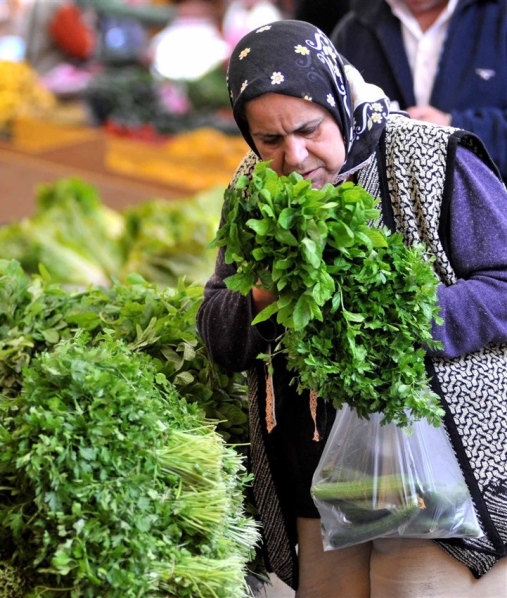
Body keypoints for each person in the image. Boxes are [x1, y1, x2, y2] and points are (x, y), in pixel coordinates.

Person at [197, 20, 507, 597]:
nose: (294, 156)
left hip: (435, 481)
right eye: (268, 141)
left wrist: (399, 318)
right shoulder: (250, 188)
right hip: (321, 486)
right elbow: (217, 330)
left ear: (336, 100)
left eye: (309, 130)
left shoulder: (430, 159)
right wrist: (261, 298)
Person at [331, 0, 507, 177]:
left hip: (489, 193)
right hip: (382, 198)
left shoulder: (500, 18)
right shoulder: (353, 31)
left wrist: (453, 130)